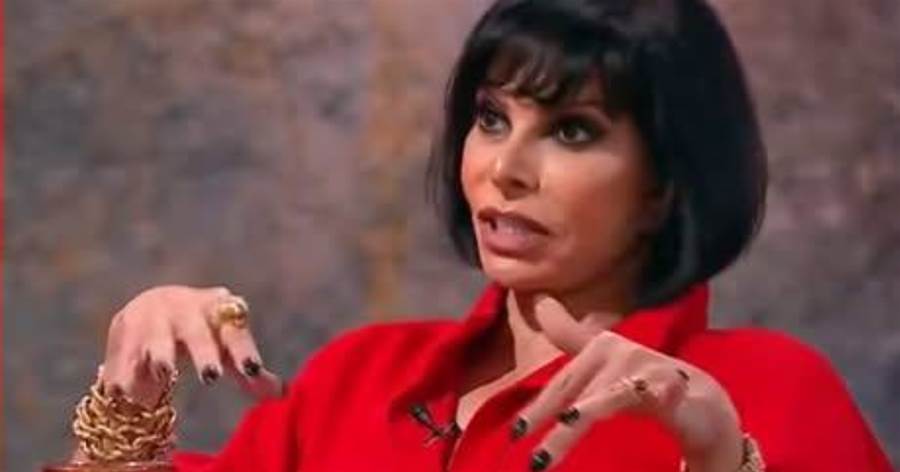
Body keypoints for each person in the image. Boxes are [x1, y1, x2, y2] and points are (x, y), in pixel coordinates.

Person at [68, 0, 894, 470]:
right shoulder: (358, 378)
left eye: (572, 130)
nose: (505, 167)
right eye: (492, 118)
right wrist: (128, 401)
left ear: (663, 186)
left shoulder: (770, 391)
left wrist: (723, 465)